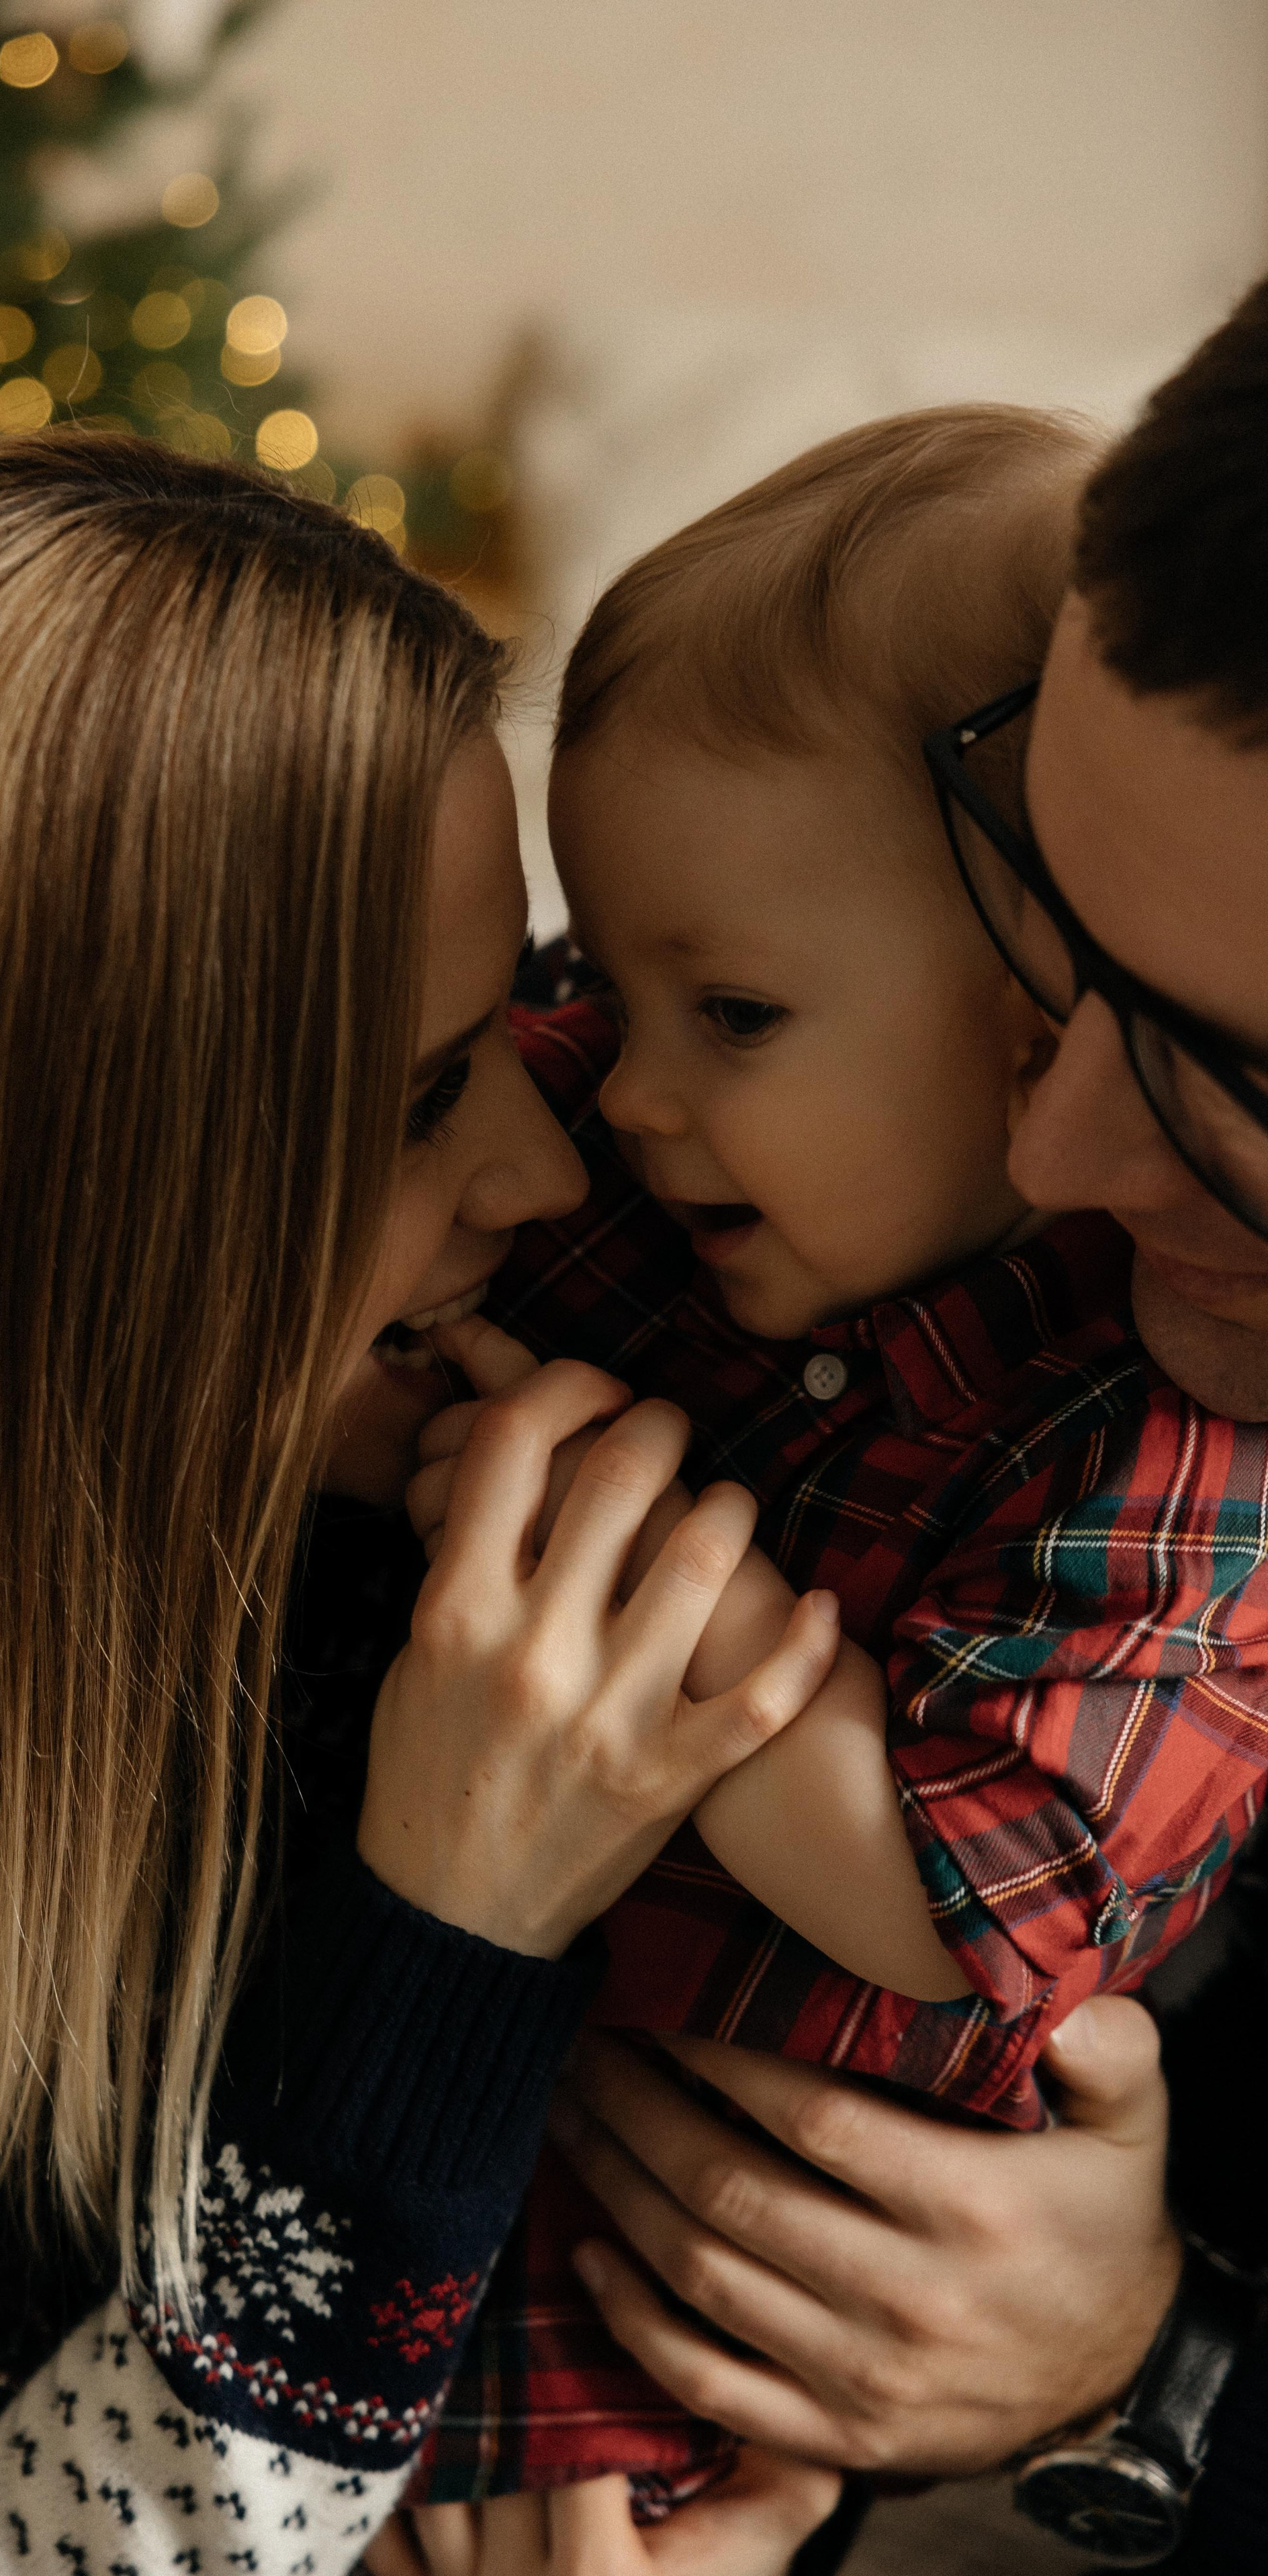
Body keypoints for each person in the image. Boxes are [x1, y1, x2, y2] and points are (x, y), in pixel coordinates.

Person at [0, 432, 846, 2573]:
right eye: (428, 1099)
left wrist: (1122, 2358)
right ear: (50, 1234)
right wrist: (454, 1931)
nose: (549, 1167)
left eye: (526, 1005)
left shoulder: (512, 1445)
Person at [394, 407, 1268, 2534]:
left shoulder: (1175, 1480)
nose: (1062, 1151)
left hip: (682, 2342)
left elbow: (981, 1896)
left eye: (1195, 1055)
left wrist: (1161, 2367)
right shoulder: (654, 1142)